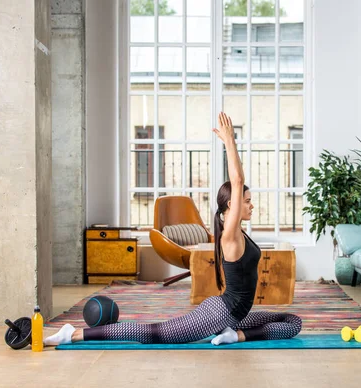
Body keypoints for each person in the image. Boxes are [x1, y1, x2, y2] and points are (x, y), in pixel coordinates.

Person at [44, 112, 301, 346]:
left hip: (234, 317)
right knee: (153, 334)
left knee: (292, 322)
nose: (251, 205)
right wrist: (229, 142)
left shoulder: (239, 232)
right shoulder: (230, 233)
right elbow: (238, 179)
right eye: (246, 201)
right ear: (232, 206)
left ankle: (235, 335)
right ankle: (73, 333)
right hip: (220, 313)